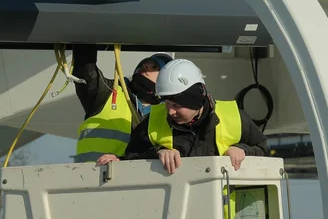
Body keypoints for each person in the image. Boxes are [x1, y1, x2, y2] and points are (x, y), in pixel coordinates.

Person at [96, 58, 269, 174]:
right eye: (167, 104)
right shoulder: (153, 121)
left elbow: (264, 151)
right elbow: (132, 158)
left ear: (196, 100)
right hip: (172, 217)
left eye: (177, 105)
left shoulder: (235, 118)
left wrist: (242, 150)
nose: (170, 112)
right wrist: (157, 153)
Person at [71, 44, 174, 162]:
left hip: (139, 178)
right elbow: (86, 71)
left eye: (155, 67)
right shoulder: (108, 92)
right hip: (90, 174)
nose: (145, 66)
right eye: (143, 65)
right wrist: (86, 38)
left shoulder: (169, 112)